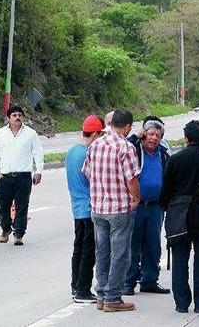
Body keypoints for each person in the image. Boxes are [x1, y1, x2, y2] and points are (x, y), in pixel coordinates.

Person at [159, 120, 199, 315]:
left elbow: (165, 191)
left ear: (186, 138)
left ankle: (181, 303)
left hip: (179, 214)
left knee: (180, 259)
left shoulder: (175, 160)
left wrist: (168, 210)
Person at [82, 109, 141, 313]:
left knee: (102, 252)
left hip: (98, 208)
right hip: (119, 209)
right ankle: (113, 298)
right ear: (127, 127)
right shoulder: (126, 146)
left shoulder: (95, 144)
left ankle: (101, 295)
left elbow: (87, 172)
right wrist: (136, 197)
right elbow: (131, 179)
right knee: (120, 254)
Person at [124, 119, 171, 295]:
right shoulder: (134, 150)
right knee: (132, 244)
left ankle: (149, 280)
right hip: (136, 205)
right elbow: (122, 148)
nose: (153, 138)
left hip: (155, 207)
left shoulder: (163, 155)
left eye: (158, 136)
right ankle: (128, 282)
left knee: (153, 245)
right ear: (144, 134)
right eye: (150, 134)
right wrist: (134, 137)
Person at [0, 104, 44, 246]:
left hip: (24, 176)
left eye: (19, 115)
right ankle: (5, 229)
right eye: (14, 115)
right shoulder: (0, 134)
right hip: (5, 177)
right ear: (9, 118)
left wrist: (38, 171)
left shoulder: (31, 134)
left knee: (22, 205)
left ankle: (19, 233)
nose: (17, 118)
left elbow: (38, 152)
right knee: (3, 205)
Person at [65, 115, 104, 303]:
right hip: (89, 208)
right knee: (89, 251)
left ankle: (75, 286)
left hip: (76, 207)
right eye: (101, 135)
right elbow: (94, 180)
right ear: (95, 134)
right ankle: (83, 291)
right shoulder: (88, 154)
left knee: (78, 249)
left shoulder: (71, 152)